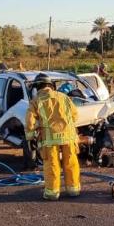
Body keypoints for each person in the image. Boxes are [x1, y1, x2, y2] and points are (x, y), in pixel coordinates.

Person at [26, 73, 81, 201]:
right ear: (51, 85)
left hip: (49, 139)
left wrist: (30, 137)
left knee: (52, 164)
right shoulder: (64, 97)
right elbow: (75, 115)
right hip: (69, 137)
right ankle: (73, 190)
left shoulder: (36, 101)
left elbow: (29, 122)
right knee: (71, 162)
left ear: (37, 87)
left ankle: (52, 193)